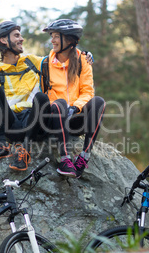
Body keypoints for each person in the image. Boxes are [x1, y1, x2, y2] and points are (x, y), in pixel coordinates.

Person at [0, 21, 92, 172]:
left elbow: (59, 60)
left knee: (41, 97)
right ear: (3, 40)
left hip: (35, 124)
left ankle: (25, 150)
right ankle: (0, 145)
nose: (22, 39)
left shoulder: (32, 62)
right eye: (16, 36)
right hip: (11, 124)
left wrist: (82, 54)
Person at [42, 19, 106, 178]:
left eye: (56, 36)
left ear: (69, 40)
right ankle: (65, 159)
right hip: (54, 119)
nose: (52, 40)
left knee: (99, 102)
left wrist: (75, 107)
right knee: (60, 104)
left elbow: (87, 92)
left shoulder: (83, 60)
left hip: (74, 120)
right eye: (52, 36)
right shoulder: (44, 63)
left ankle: (84, 157)